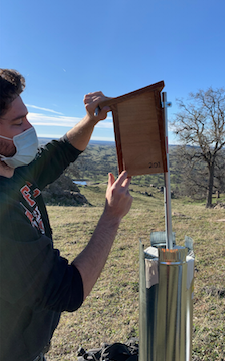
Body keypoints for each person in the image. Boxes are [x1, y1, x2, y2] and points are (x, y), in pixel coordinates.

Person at [0, 69, 133, 361]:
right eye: (18, 121)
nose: (29, 127)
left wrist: (91, 119)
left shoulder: (11, 168)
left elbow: (60, 152)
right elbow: (69, 289)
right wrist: (111, 216)